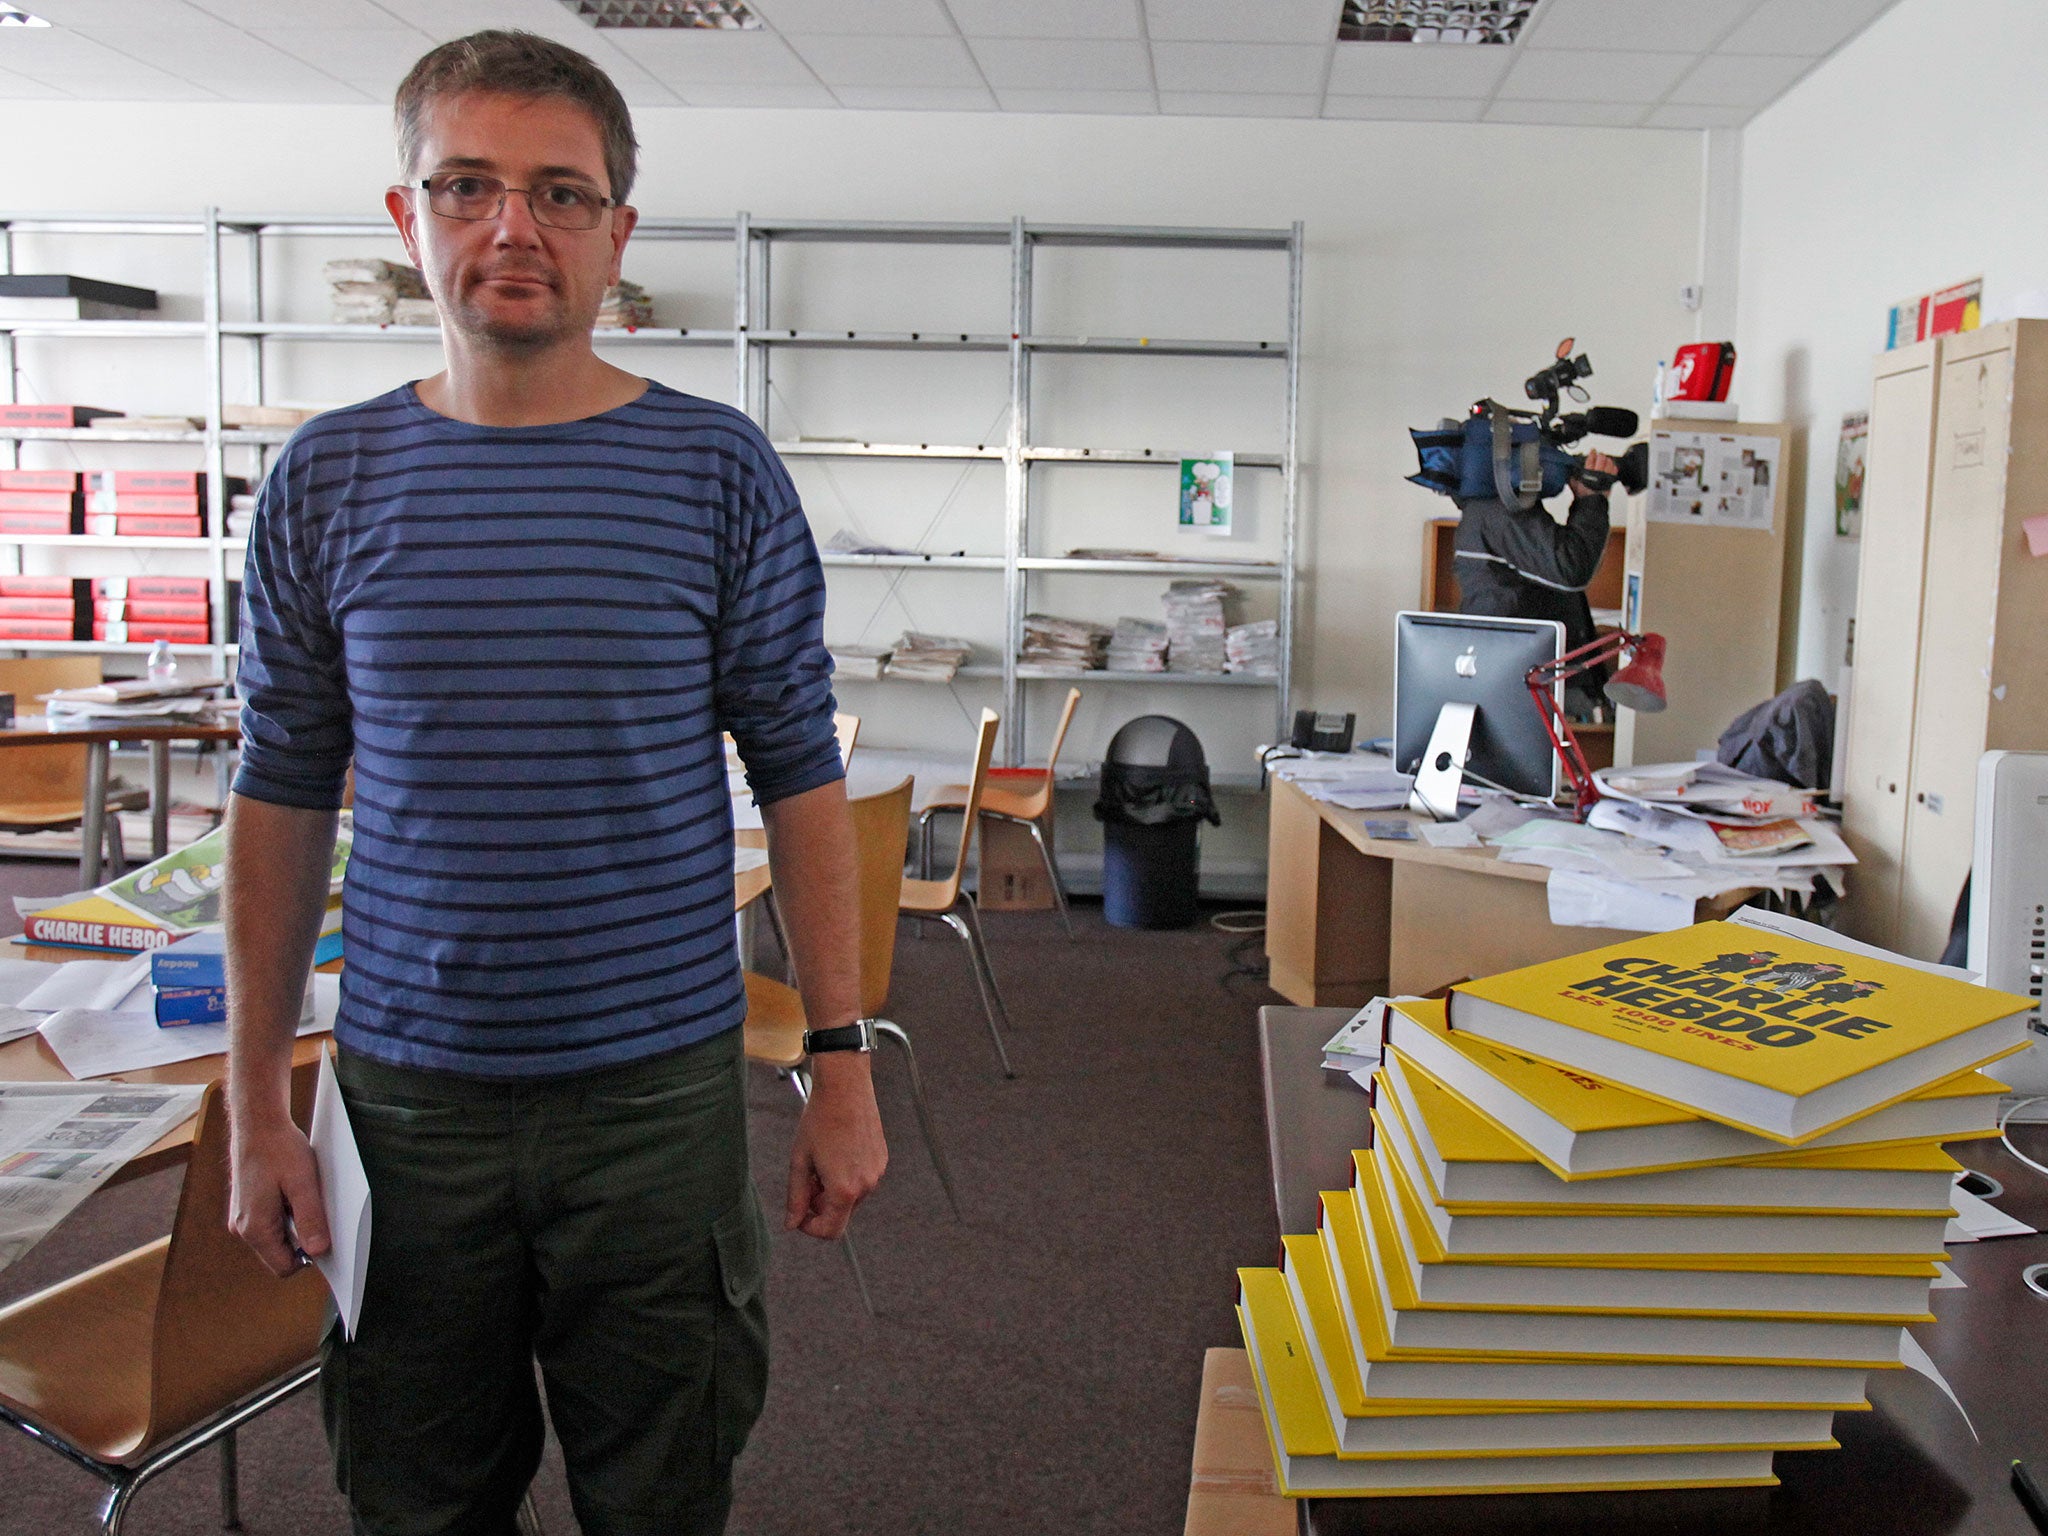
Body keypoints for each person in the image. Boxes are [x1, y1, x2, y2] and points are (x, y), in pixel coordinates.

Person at [222, 30, 887, 1536]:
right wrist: (257, 1098)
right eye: (466, 186)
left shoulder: (717, 474)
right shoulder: (325, 482)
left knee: (663, 1488)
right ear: (408, 219)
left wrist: (839, 1062)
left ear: (616, 233)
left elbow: (799, 776)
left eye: (560, 195)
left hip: (654, 1100)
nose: (512, 227)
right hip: (405, 1105)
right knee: (416, 1495)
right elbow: (280, 794)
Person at [1451, 448, 1618, 709]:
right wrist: (1591, 499)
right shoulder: (1503, 512)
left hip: (1513, 675)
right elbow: (1570, 568)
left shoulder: (1484, 508)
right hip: (1519, 683)